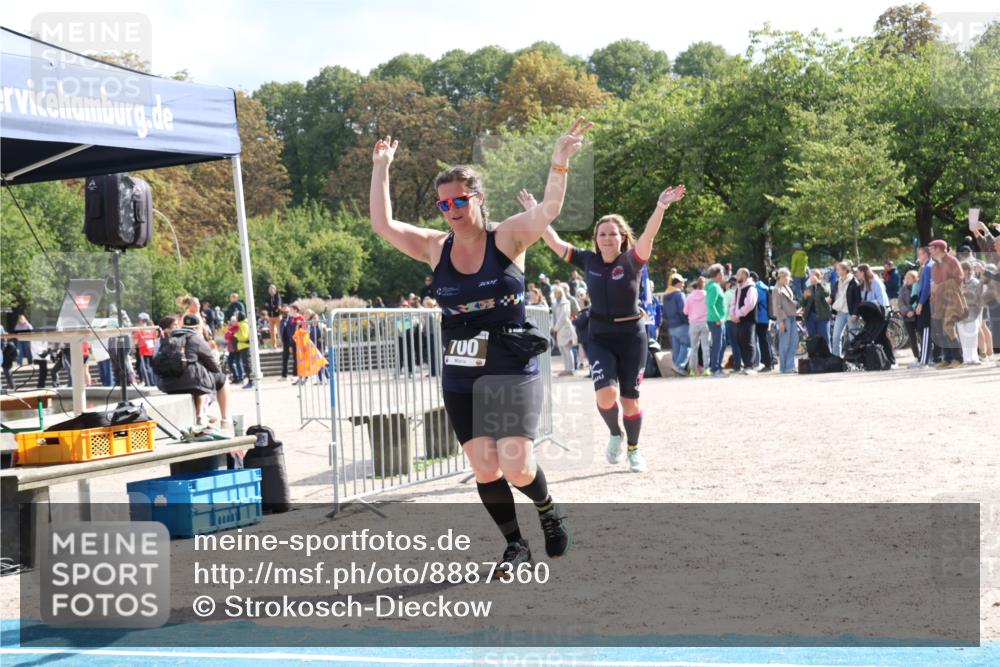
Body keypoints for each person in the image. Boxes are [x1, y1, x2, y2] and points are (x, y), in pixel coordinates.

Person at [369, 118, 591, 567]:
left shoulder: (507, 237)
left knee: (517, 466)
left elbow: (549, 209)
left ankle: (548, 511)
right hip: (461, 370)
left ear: (478, 198)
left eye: (459, 200)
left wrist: (559, 161)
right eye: (444, 203)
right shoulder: (435, 247)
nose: (451, 209)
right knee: (485, 467)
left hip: (510, 366)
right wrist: (381, 167)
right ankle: (515, 545)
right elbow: (383, 224)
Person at [529, 181, 686, 474]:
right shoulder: (588, 260)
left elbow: (649, 234)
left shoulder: (632, 260)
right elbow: (554, 241)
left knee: (630, 400)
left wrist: (661, 206)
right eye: (601, 234)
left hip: (632, 337)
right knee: (605, 395)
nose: (607, 238)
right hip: (600, 336)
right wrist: (535, 213)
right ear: (596, 239)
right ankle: (615, 434)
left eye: (612, 233)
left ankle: (634, 450)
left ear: (622, 237)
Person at [155, 315, 232, 434]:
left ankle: (202, 414)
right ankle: (224, 419)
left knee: (196, 377)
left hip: (167, 384)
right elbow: (214, 365)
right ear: (198, 327)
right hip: (191, 384)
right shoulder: (195, 338)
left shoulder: (169, 338)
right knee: (220, 379)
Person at [928, 240, 966, 369]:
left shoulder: (952, 261)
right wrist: (934, 292)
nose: (930, 251)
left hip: (952, 299)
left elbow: (959, 279)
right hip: (938, 300)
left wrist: (939, 286)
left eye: (932, 248)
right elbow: (935, 283)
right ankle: (948, 359)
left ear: (939, 249)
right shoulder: (934, 265)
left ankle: (958, 359)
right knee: (940, 329)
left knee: (948, 327)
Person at [730, 268, 758, 374]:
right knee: (741, 341)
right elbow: (733, 303)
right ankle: (746, 365)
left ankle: (750, 366)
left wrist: (738, 314)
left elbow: (749, 304)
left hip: (748, 320)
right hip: (739, 320)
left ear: (744, 276)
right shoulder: (738, 288)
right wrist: (732, 314)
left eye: (738, 274)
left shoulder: (751, 288)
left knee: (748, 342)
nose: (736, 276)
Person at [957, 261, 986, 365]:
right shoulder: (957, 281)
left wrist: (967, 292)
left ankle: (974, 358)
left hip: (973, 313)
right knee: (963, 337)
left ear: (967, 270)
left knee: (972, 336)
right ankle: (966, 359)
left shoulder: (975, 282)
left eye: (961, 269)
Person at [830, 261, 860, 358]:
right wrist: (831, 299)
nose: (836, 271)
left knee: (853, 337)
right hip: (840, 312)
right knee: (835, 336)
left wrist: (855, 313)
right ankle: (836, 359)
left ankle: (855, 359)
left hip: (851, 313)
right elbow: (834, 295)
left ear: (845, 270)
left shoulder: (854, 282)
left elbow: (857, 300)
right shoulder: (837, 282)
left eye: (838, 269)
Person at [662, 276, 690, 374]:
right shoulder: (679, 295)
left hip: (671, 325)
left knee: (676, 347)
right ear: (677, 284)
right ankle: (679, 366)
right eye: (682, 283)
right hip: (681, 324)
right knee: (688, 344)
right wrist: (688, 322)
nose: (683, 285)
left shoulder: (666, 295)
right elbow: (683, 311)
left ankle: (676, 367)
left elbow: (664, 313)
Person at [772, 268, 799, 373]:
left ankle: (790, 366)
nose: (789, 279)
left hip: (792, 316)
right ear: (782, 277)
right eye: (788, 277)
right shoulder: (776, 289)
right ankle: (784, 367)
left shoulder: (786, 287)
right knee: (785, 343)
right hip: (784, 318)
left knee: (794, 342)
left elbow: (790, 302)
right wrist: (781, 321)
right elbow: (777, 307)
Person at [914, 247, 937, 366]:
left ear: (925, 254)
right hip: (931, 302)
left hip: (927, 302)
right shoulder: (930, 265)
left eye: (920, 254)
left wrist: (920, 304)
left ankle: (924, 360)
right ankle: (933, 358)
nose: (918, 257)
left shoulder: (928, 267)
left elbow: (926, 288)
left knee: (925, 331)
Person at [684, 276, 711, 376]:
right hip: (705, 322)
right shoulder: (707, 295)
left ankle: (693, 370)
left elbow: (685, 311)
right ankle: (706, 369)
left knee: (694, 348)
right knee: (705, 347)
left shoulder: (690, 297)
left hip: (693, 324)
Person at [704, 264, 727, 377]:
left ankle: (717, 366)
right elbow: (710, 304)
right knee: (718, 344)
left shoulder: (714, 286)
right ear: (717, 275)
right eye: (722, 273)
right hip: (715, 320)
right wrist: (718, 318)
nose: (723, 276)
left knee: (721, 343)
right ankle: (715, 368)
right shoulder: (714, 287)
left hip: (717, 319)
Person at [801, 268, 832, 353]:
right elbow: (803, 304)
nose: (811, 278)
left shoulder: (825, 285)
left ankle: (827, 357)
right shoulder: (809, 288)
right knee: (812, 339)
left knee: (825, 338)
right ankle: (814, 358)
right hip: (810, 317)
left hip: (823, 317)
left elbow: (826, 293)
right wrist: (805, 297)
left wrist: (818, 283)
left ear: (818, 276)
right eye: (810, 276)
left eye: (812, 275)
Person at [550, 286, 578, 376]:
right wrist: (552, 327)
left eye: (558, 292)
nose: (556, 294)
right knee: (562, 350)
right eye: (555, 293)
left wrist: (556, 327)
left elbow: (564, 316)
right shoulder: (554, 303)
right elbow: (553, 316)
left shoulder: (566, 302)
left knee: (567, 349)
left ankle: (571, 369)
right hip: (558, 330)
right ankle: (566, 368)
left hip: (565, 328)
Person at [752, 271, 773, 372]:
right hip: (764, 317)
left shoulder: (757, 288)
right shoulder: (764, 287)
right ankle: (769, 362)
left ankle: (768, 363)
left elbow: (755, 301)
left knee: (763, 341)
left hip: (760, 318)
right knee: (764, 340)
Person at [899, 270, 921, 362]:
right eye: (906, 278)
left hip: (918, 315)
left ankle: (924, 355)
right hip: (907, 317)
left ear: (914, 279)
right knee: (912, 338)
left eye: (908, 278)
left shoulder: (918, 287)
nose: (906, 280)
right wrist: (907, 312)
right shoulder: (903, 289)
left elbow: (919, 300)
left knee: (921, 336)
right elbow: (900, 303)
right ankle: (916, 356)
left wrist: (914, 311)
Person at [133, 312, 158, 386]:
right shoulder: (152, 329)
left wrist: (133, 346)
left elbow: (135, 341)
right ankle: (153, 382)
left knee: (145, 368)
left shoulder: (139, 329)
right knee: (151, 367)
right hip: (152, 351)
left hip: (144, 351)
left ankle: (149, 383)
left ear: (141, 320)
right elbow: (155, 340)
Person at [722, 276, 741, 372]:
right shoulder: (740, 293)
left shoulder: (728, 293)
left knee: (734, 344)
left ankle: (737, 365)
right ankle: (742, 363)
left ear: (730, 284)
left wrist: (723, 320)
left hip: (730, 320)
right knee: (740, 343)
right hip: (740, 320)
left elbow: (725, 308)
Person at [235, 312, 253, 388]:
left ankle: (251, 381)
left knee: (247, 365)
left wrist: (235, 334)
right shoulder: (243, 324)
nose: (236, 318)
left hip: (245, 346)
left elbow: (243, 336)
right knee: (246, 365)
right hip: (243, 346)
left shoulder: (243, 324)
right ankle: (250, 381)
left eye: (237, 316)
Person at [264, 285, 283, 350]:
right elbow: (265, 306)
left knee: (280, 331)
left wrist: (270, 307)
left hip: (277, 316)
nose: (271, 290)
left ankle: (283, 344)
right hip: (270, 316)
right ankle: (274, 346)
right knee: (272, 332)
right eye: (270, 289)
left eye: (272, 289)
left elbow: (277, 306)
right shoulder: (267, 297)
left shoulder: (277, 296)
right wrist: (271, 307)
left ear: (275, 290)